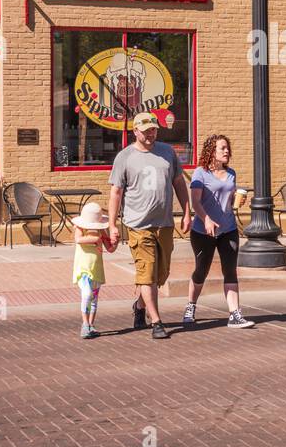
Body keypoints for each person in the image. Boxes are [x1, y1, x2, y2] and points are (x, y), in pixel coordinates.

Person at [107, 111, 192, 340]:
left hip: (164, 224)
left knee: (160, 274)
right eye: (145, 131)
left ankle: (140, 306)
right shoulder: (124, 157)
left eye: (153, 129)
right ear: (135, 131)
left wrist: (186, 212)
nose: (150, 134)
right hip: (138, 225)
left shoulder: (167, 152)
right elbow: (116, 192)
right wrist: (112, 225)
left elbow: (179, 184)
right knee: (147, 274)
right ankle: (156, 321)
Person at [183, 134, 254, 329]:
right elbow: (196, 201)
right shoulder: (200, 173)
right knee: (201, 271)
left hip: (228, 229)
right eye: (222, 148)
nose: (226, 151)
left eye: (227, 148)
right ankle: (191, 305)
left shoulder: (231, 173)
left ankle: (234, 315)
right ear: (211, 152)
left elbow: (228, 200)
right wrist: (206, 219)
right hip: (203, 231)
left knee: (230, 270)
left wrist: (236, 200)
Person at [71, 202, 116, 339]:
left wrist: (115, 240)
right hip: (84, 269)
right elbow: (78, 239)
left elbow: (110, 248)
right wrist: (96, 239)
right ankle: (84, 323)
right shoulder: (81, 228)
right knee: (87, 293)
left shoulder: (101, 230)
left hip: (96, 268)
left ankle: (91, 324)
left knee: (94, 298)